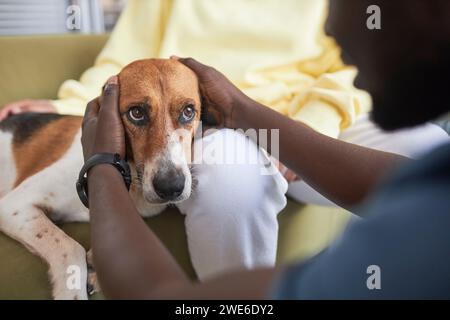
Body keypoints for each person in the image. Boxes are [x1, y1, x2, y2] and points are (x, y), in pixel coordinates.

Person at [1, 0, 448, 281]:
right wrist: (75, 105)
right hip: (218, 124)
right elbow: (122, 68)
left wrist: (308, 128)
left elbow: (352, 61)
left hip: (322, 112)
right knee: (233, 178)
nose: (329, 27)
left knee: (426, 150)